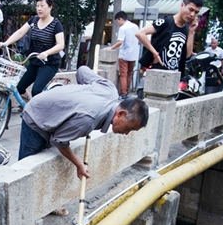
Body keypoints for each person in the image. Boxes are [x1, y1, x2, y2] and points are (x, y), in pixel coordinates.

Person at [19, 65, 149, 180]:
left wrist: (83, 94)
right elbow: (58, 140)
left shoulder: (109, 89)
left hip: (50, 113)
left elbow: (82, 71)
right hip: (36, 117)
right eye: (129, 129)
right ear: (121, 114)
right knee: (26, 173)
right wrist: (79, 164)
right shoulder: (88, 120)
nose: (126, 133)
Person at [0, 0, 65, 102]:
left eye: (42, 6)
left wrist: (46, 53)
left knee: (37, 91)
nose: (39, 8)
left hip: (49, 63)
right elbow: (20, 32)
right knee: (19, 88)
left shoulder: (56, 24)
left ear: (50, 7)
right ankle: (30, 105)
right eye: (37, 6)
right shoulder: (34, 20)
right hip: (34, 61)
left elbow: (60, 45)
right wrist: (6, 43)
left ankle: (41, 113)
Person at [136, 0, 204, 75]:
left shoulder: (186, 29)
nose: (192, 14)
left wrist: (191, 32)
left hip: (174, 73)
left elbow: (187, 55)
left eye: (196, 12)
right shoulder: (166, 22)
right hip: (157, 71)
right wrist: (155, 53)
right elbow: (140, 33)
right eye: (191, 9)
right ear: (182, 5)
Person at [110, 11, 140, 97]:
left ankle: (123, 93)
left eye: (117, 21)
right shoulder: (135, 26)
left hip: (124, 54)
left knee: (123, 74)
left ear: (120, 19)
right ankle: (127, 91)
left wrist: (111, 48)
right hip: (134, 54)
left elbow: (120, 42)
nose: (118, 23)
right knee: (130, 74)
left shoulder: (123, 28)